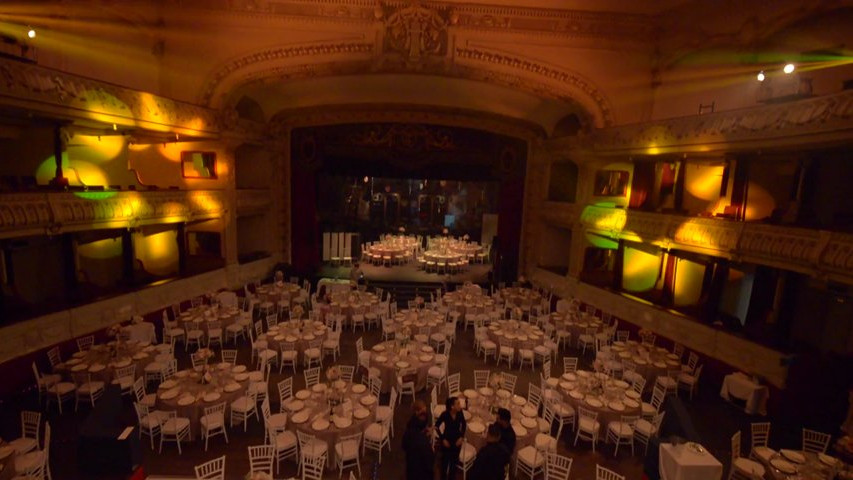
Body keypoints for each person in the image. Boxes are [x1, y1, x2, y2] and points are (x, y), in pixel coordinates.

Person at [435, 396, 467, 480]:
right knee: (444, 464)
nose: (460, 405)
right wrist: (442, 439)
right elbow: (436, 426)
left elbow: (464, 424)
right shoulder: (445, 414)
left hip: (457, 442)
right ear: (452, 406)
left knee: (454, 464)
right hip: (447, 442)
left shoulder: (460, 413)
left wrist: (461, 437)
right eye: (458, 404)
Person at [403, 400, 434, 480]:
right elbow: (429, 464)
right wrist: (432, 450)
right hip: (421, 473)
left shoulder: (410, 427)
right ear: (417, 411)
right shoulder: (424, 443)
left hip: (411, 467)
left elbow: (404, 445)